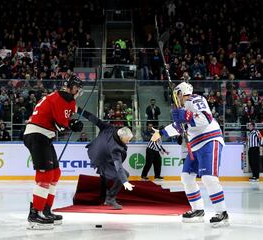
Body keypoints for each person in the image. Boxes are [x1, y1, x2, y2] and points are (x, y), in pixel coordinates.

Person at [151, 82, 229, 227]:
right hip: (195, 145)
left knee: (209, 178)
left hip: (209, 140)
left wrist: (187, 116)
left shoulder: (195, 100)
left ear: (181, 92)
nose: (175, 98)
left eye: (176, 94)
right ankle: (198, 210)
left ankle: (222, 213)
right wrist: (161, 133)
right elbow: (179, 128)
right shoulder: (181, 108)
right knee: (186, 177)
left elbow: (206, 119)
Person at [23, 75, 84, 230]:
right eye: (77, 88)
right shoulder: (61, 99)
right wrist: (72, 124)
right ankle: (35, 213)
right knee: (45, 175)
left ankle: (45, 209)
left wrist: (71, 123)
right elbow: (59, 125)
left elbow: (61, 121)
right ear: (70, 86)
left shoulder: (63, 98)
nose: (78, 92)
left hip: (43, 135)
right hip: (37, 135)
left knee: (55, 173)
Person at [76, 107, 135, 210]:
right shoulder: (116, 148)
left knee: (105, 175)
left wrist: (78, 110)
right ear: (121, 137)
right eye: (127, 140)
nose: (128, 142)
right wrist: (125, 181)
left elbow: (94, 119)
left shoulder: (109, 128)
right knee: (124, 175)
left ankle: (103, 196)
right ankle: (110, 198)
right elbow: (119, 167)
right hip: (101, 159)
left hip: (96, 151)